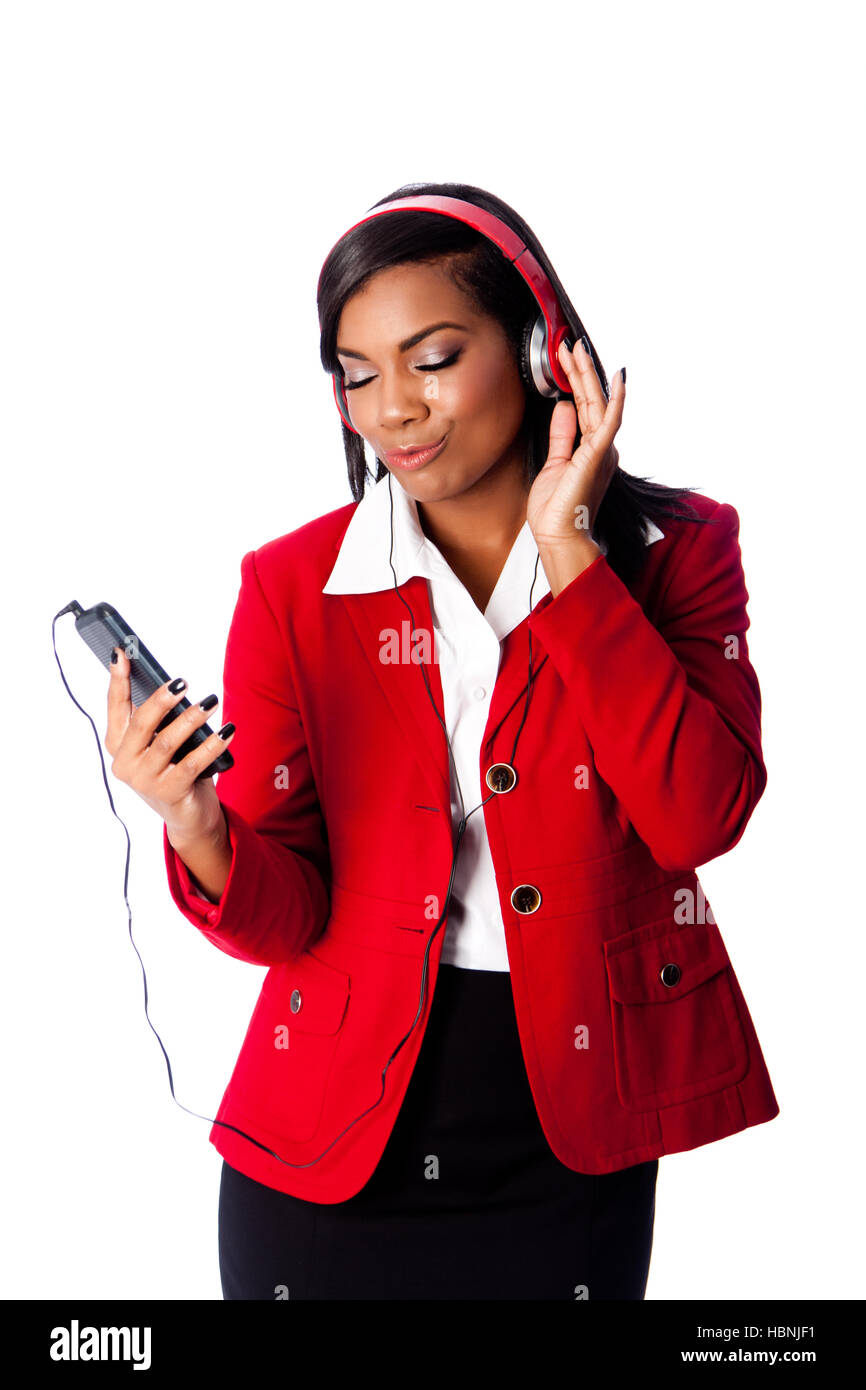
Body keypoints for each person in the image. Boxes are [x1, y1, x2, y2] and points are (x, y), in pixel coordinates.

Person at [103, 181, 779, 1300]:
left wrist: (569, 556)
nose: (390, 411)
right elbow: (291, 913)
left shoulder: (675, 550)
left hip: (571, 1128)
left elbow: (696, 813)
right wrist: (196, 823)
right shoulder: (291, 587)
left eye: (429, 359)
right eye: (357, 375)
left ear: (537, 347)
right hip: (328, 1150)